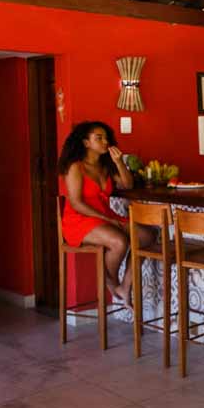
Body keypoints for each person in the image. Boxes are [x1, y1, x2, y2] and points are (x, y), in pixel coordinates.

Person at [59, 121, 153, 307]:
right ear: (86, 143)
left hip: (104, 217)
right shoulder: (76, 167)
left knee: (146, 236)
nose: (105, 141)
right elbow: (76, 203)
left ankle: (125, 285)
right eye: (99, 138)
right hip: (79, 220)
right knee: (119, 242)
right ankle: (111, 282)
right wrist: (108, 219)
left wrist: (119, 162)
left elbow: (128, 185)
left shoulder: (106, 166)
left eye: (106, 138)